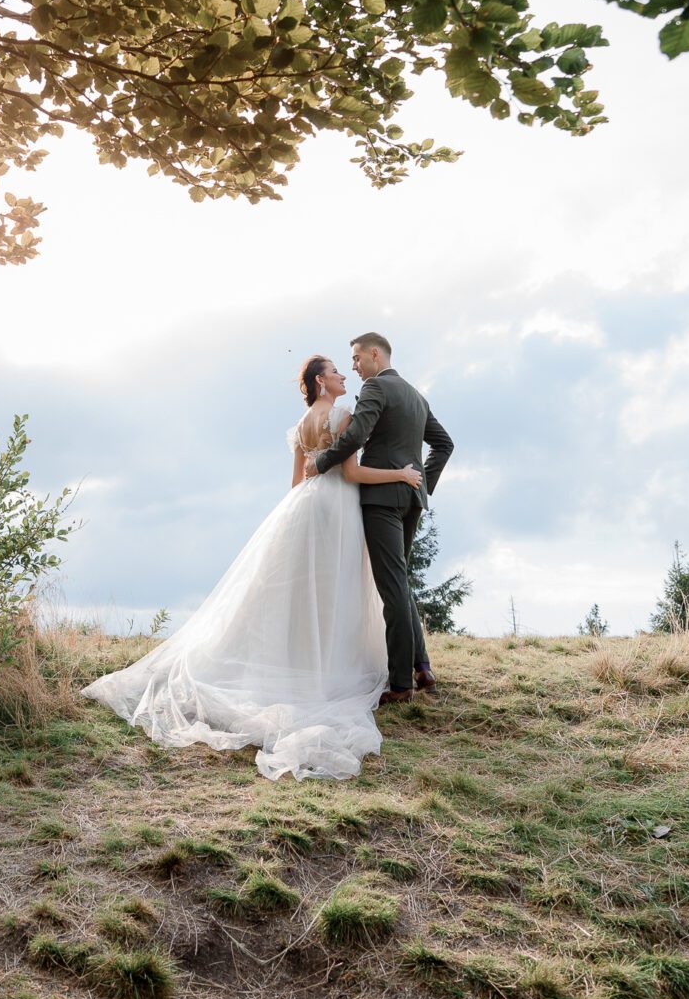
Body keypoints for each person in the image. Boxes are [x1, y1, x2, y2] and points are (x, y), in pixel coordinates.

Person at [81, 352, 424, 779]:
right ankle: (334, 666)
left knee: (301, 595)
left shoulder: (299, 429)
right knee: (336, 593)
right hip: (337, 512)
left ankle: (301, 660)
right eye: (335, 371)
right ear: (321, 383)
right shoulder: (342, 416)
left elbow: (297, 483)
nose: (341, 375)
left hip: (303, 510)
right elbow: (351, 474)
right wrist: (401, 475)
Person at [309, 332, 453, 701]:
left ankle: (401, 684)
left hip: (381, 500)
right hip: (410, 499)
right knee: (400, 582)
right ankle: (422, 668)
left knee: (391, 589)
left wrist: (322, 463)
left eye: (357, 358)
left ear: (375, 355)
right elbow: (444, 444)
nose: (354, 367)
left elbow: (356, 434)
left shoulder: (376, 388)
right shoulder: (416, 396)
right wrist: (421, 484)